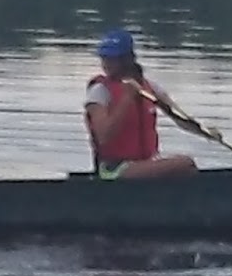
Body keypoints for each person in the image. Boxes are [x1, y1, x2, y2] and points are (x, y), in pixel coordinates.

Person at [83, 28, 199, 180]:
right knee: (185, 163)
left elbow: (178, 117)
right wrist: (126, 98)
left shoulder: (150, 88)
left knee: (186, 169)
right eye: (104, 58)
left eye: (113, 59)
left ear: (128, 59)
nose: (106, 64)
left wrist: (204, 132)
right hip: (113, 170)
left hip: (145, 164)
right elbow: (104, 136)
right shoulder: (99, 91)